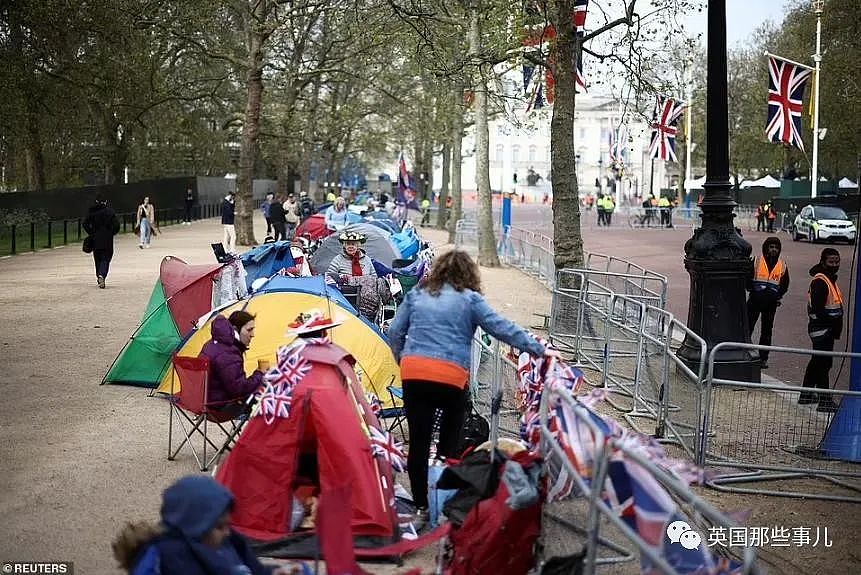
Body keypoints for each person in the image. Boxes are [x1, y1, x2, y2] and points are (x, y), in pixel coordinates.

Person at [387, 250, 559, 519]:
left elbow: (395, 331)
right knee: (451, 435)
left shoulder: (416, 295)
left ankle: (421, 505)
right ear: (468, 275)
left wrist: (403, 360)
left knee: (418, 442)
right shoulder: (470, 300)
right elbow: (501, 328)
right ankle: (444, 489)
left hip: (414, 371)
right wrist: (538, 349)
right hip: (451, 376)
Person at [112, 475, 293, 575]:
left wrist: (277, 572)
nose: (227, 532)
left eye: (227, 525)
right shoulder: (174, 557)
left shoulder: (228, 543)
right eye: (219, 527)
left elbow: (256, 569)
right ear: (195, 526)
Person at [800, 248, 843, 412]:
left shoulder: (829, 279)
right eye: (831, 262)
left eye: (837, 262)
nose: (835, 265)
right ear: (823, 262)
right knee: (824, 363)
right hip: (822, 329)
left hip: (825, 329)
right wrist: (831, 323)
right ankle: (825, 400)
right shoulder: (821, 281)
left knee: (817, 361)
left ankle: (806, 394)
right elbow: (818, 308)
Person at [200, 310, 265, 406]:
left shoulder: (212, 344)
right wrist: (260, 373)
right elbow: (239, 390)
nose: (253, 334)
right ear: (235, 330)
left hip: (205, 398)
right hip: (219, 404)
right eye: (249, 330)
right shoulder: (228, 353)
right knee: (267, 392)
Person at [746, 237, 789, 369]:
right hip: (755, 300)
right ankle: (745, 350)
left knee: (767, 331)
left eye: (776, 247)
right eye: (771, 247)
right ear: (766, 248)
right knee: (748, 326)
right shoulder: (757, 261)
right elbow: (748, 276)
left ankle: (763, 358)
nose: (774, 250)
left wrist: (778, 296)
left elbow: (785, 284)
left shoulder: (782, 265)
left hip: (770, 303)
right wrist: (751, 289)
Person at [83, 195, 120, 289]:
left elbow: (85, 224)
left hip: (96, 238)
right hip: (107, 239)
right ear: (106, 202)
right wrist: (111, 232)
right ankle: (102, 274)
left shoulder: (92, 212)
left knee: (97, 258)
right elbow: (116, 225)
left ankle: (99, 275)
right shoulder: (110, 212)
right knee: (106, 258)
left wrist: (91, 232)